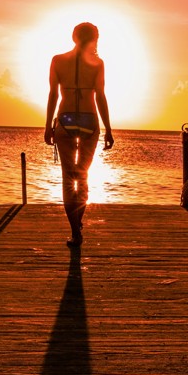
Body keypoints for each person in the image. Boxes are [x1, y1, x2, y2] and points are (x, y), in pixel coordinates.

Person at [44, 22, 114, 247]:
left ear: (73, 36)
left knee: (68, 178)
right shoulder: (97, 63)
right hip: (89, 121)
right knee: (82, 176)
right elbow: (100, 96)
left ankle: (75, 231)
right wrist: (109, 129)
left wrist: (47, 126)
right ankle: (78, 228)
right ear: (95, 38)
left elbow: (53, 95)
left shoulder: (58, 60)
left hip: (64, 122)